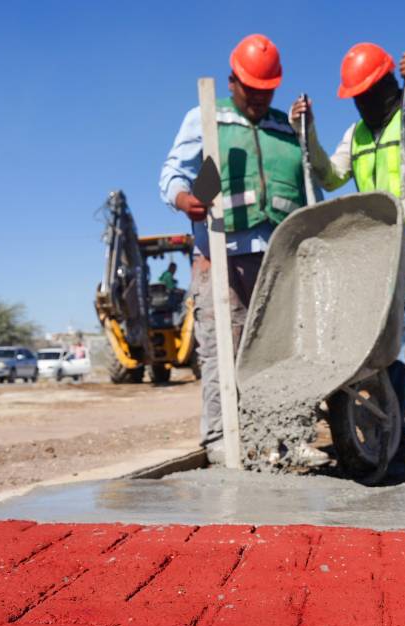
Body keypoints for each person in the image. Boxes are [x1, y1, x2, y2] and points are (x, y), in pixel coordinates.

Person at [291, 43, 405, 473]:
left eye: (370, 91)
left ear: (389, 84)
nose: (364, 102)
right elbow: (330, 176)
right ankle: (393, 440)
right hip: (382, 254)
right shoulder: (356, 135)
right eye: (357, 96)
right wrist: (308, 132)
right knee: (391, 352)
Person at [159, 34, 319, 461]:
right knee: (222, 355)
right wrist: (182, 199)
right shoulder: (206, 118)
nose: (259, 100)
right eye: (252, 91)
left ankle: (288, 440)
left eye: (268, 92)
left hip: (281, 260)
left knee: (285, 354)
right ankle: (221, 442)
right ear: (233, 82)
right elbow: (173, 174)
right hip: (222, 255)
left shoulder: (285, 128)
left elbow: (310, 188)